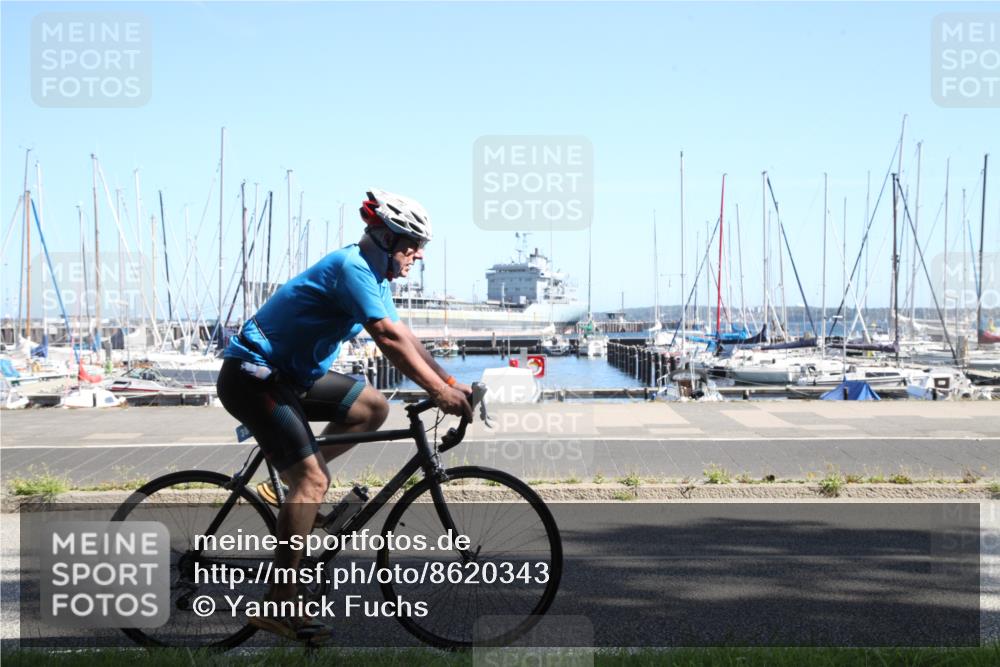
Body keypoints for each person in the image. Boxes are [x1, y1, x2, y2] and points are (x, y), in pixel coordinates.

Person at [216, 188, 472, 641]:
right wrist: (436, 390)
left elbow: (403, 335)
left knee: (372, 406)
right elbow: (386, 341)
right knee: (312, 481)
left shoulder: (375, 278)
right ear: (389, 239)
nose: (417, 256)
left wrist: (450, 384)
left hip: (290, 377)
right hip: (254, 376)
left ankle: (290, 489)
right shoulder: (352, 268)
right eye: (412, 246)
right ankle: (277, 604)